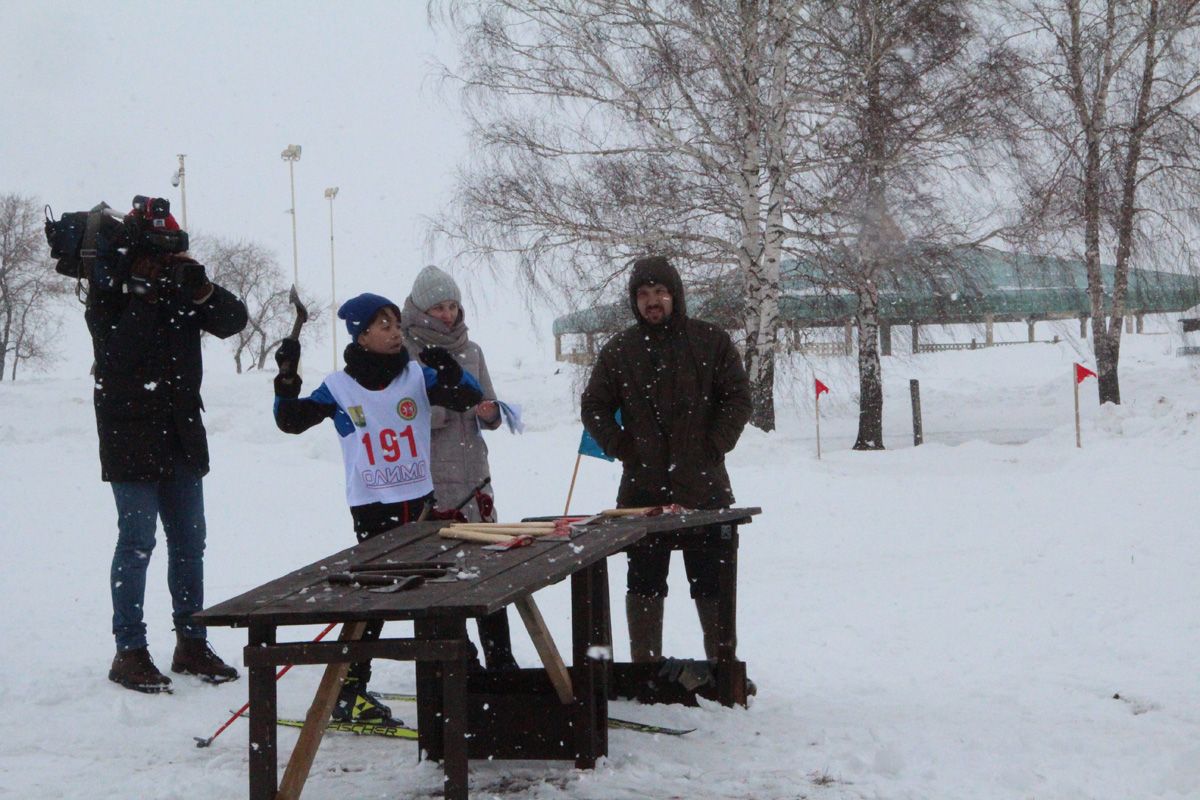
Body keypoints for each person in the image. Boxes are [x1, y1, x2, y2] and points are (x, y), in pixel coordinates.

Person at [273, 292, 483, 724]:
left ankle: (456, 674)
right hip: (372, 506)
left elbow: (468, 399)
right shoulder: (339, 387)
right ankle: (350, 689)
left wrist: (450, 370)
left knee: (437, 591)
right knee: (376, 601)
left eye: (394, 323)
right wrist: (286, 376)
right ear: (361, 335)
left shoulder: (415, 375)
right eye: (383, 325)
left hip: (420, 501)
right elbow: (291, 420)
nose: (394, 332)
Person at [85, 199, 249, 693]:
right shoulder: (109, 291)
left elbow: (232, 320)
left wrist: (199, 287)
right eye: (157, 257)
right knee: (137, 543)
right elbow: (114, 360)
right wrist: (141, 297)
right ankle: (129, 651)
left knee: (189, 543)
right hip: (128, 433)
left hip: (179, 432)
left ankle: (191, 642)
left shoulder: (181, 292)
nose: (164, 265)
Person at [580, 255, 752, 666]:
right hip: (643, 493)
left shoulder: (710, 341)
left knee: (711, 582)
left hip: (704, 489)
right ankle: (645, 670)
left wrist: (713, 445)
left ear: (675, 295)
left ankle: (721, 669)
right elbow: (594, 407)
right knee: (644, 582)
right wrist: (623, 447)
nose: (652, 301)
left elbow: (737, 398)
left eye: (659, 292)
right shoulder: (620, 350)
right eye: (643, 294)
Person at [401, 264, 517, 671]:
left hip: (475, 477)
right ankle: (458, 659)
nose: (448, 315)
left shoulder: (472, 350)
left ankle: (501, 658)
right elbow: (405, 418)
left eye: (452, 306)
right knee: (444, 570)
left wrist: (488, 412)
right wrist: (444, 408)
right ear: (420, 309)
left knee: (490, 567)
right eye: (439, 307)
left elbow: (490, 410)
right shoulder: (406, 354)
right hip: (432, 477)